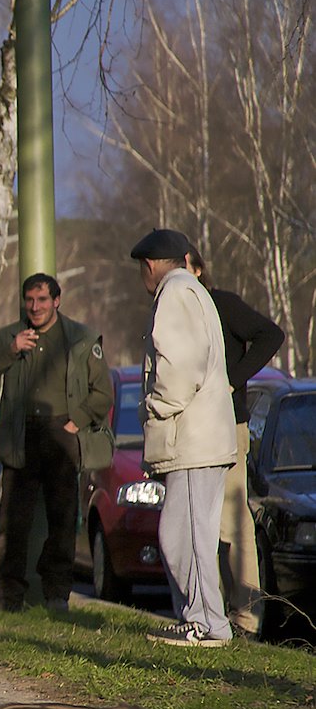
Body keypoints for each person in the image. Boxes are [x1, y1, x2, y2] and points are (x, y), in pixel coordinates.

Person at [0, 273, 113, 614]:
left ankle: (57, 595)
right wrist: (10, 350)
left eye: (42, 300)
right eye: (29, 300)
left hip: (61, 434)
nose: (35, 307)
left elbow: (103, 393)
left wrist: (73, 422)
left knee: (62, 519)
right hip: (21, 435)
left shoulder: (79, 338)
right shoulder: (11, 335)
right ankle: (6, 596)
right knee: (12, 522)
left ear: (56, 301)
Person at [129, 229, 236, 647]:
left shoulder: (174, 292)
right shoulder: (194, 291)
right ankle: (200, 618)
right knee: (187, 532)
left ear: (150, 265)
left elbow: (178, 368)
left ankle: (209, 624)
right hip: (203, 437)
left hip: (192, 438)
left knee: (185, 535)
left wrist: (156, 407)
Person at [185, 247, 285, 636]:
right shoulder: (175, 314)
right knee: (197, 524)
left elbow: (271, 334)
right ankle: (209, 614)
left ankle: (245, 618)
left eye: (183, 268)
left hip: (227, 425)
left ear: (198, 269)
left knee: (232, 521)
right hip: (189, 431)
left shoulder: (220, 303)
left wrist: (232, 379)